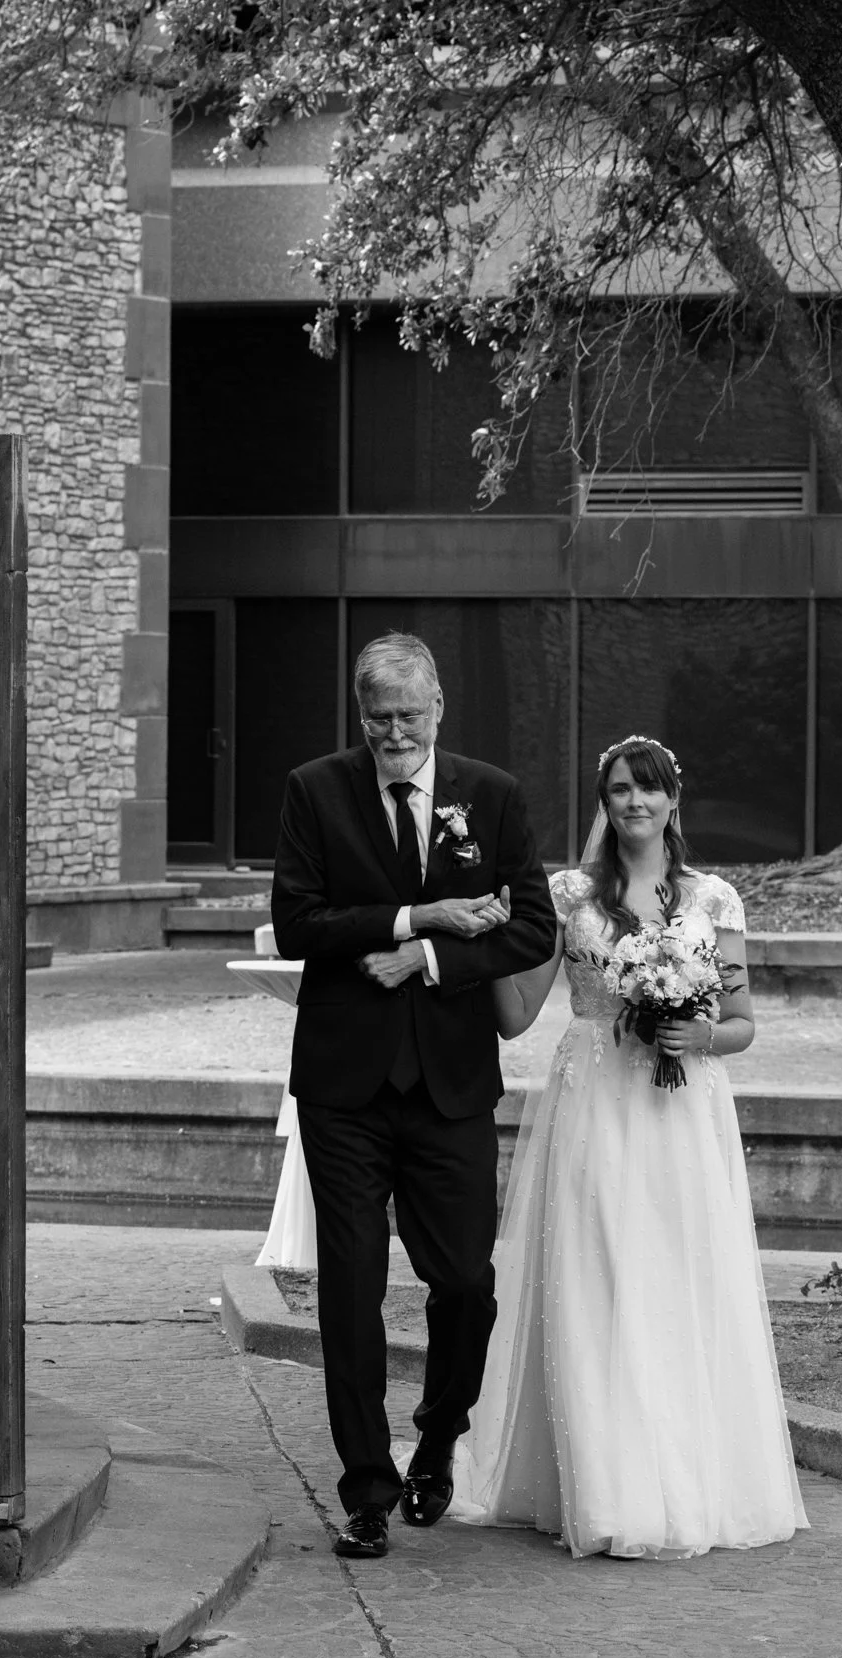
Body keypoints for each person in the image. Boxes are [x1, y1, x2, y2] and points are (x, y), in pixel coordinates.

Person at [455, 735, 808, 1559]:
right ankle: (606, 1488)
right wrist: (475, 949)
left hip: (681, 1118)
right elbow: (516, 1011)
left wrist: (701, 1033)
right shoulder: (569, 894)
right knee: (596, 1276)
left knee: (676, 1280)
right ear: (603, 801)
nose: (633, 803)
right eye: (618, 790)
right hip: (593, 1102)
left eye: (647, 789)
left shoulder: (713, 898)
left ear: (672, 800)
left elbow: (744, 1023)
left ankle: (681, 1479)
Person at [271, 632, 558, 1560]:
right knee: (349, 1295)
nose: (394, 733)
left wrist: (428, 958)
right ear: (360, 718)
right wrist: (418, 914)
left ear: (439, 710)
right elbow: (296, 923)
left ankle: (437, 1439)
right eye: (377, 718)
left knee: (466, 1283)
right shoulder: (315, 790)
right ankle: (364, 1491)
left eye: (409, 716)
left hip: (450, 1083)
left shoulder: (493, 794)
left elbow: (530, 930)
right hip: (344, 1088)